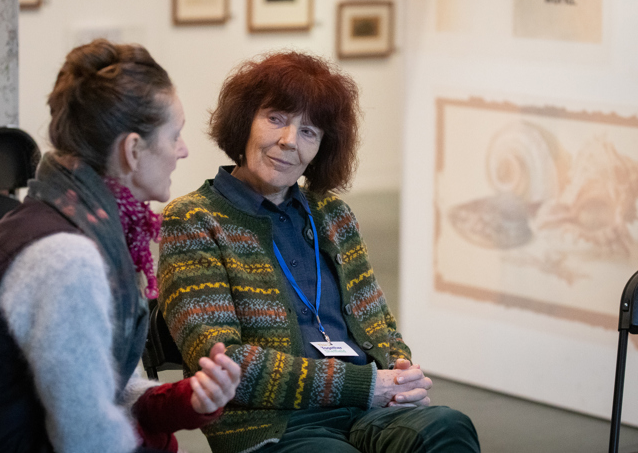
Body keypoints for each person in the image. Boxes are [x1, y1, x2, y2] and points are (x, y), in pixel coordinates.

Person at [0, 39, 240, 453]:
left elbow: (102, 389)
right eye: (175, 135)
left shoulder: (73, 222)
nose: (183, 150)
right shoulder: (67, 258)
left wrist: (183, 400)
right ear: (133, 150)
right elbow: (86, 438)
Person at [157, 51, 480, 453]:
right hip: (276, 422)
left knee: (446, 427)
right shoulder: (193, 220)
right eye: (276, 118)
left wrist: (402, 374)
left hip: (368, 408)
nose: (289, 141)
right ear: (245, 121)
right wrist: (364, 385)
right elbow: (225, 363)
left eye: (309, 131)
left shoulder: (333, 215)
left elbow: (379, 326)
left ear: (323, 147)